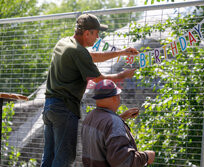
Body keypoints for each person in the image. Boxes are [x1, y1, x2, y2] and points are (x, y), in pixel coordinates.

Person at [41, 14, 139, 167]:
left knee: (49, 157)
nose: (98, 37)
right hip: (64, 109)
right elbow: (99, 79)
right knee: (64, 159)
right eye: (96, 33)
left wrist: (121, 53)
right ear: (87, 33)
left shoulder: (65, 43)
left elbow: (92, 56)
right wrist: (122, 75)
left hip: (49, 107)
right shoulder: (78, 51)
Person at [81, 79, 155, 167]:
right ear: (115, 98)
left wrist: (121, 118)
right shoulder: (113, 122)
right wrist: (146, 156)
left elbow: (103, 135)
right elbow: (123, 162)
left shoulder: (90, 117)